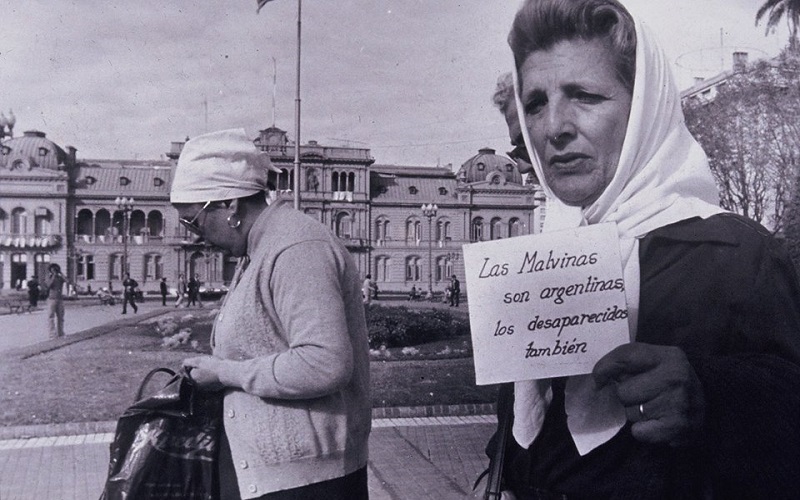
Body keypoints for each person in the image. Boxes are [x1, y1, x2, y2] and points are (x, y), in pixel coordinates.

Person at [478, 1, 800, 499]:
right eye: (536, 103)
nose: (553, 127)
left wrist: (710, 399)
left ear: (645, 106)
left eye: (583, 95)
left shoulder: (738, 255)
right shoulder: (538, 263)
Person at [171, 128, 370, 499]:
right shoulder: (260, 248)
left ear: (229, 205)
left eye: (192, 220)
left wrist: (225, 373)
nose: (194, 235)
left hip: (306, 483)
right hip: (277, 474)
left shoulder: (297, 247)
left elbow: (325, 363)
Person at [44, 263, 65, 338]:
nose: (55, 270)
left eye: (56, 269)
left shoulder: (60, 278)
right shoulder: (49, 277)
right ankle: (52, 334)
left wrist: (60, 273)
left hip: (60, 299)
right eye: (53, 269)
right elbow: (49, 285)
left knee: (61, 317)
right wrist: (53, 276)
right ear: (50, 270)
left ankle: (61, 332)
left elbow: (67, 281)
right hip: (51, 299)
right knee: (51, 316)